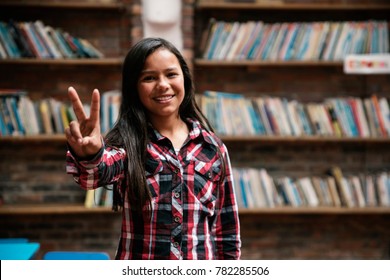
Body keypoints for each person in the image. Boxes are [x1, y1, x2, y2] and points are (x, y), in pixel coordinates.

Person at [65, 37, 241, 260]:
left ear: (184, 79)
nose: (163, 84)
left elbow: (227, 234)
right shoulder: (127, 145)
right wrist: (90, 153)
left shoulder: (213, 148)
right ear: (134, 87)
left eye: (171, 74)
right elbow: (94, 176)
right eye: (149, 77)